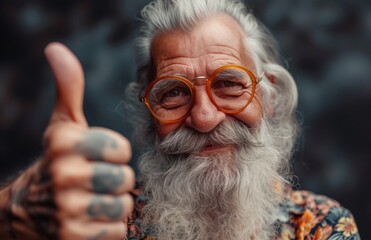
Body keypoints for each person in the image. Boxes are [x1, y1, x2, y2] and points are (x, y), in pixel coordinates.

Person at [0, 0, 361, 239]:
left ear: (268, 96)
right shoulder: (100, 222)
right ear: (148, 113)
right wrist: (12, 211)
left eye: (229, 84)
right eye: (173, 92)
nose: (204, 117)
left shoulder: (317, 226)